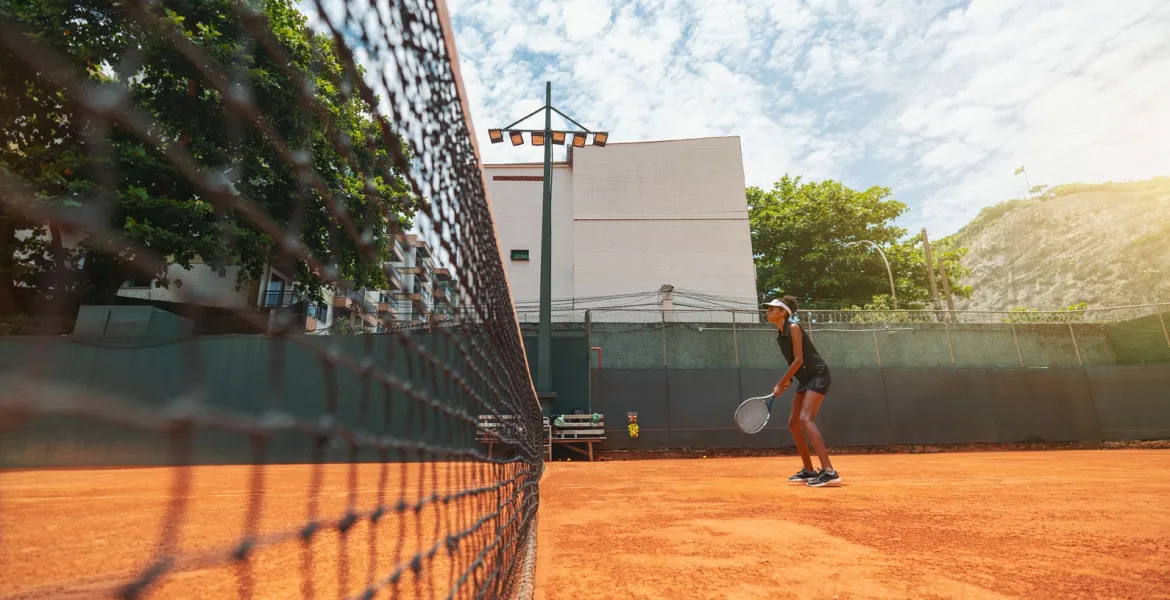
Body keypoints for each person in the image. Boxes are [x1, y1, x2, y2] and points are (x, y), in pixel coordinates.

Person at [763, 296, 841, 488]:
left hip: (818, 374)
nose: (768, 312)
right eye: (768, 309)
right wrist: (786, 383)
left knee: (806, 419)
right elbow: (793, 364)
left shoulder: (793, 328)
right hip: (805, 379)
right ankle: (808, 470)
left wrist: (780, 383)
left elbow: (799, 360)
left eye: (772, 309)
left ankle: (830, 472)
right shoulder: (780, 336)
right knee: (793, 424)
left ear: (783, 312)